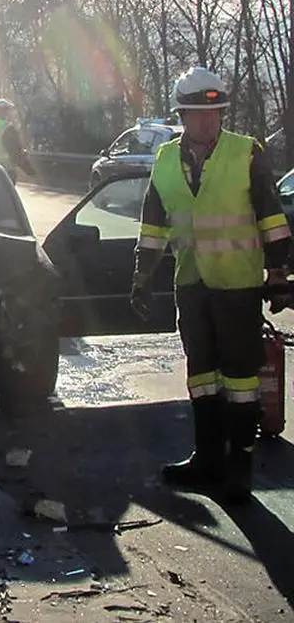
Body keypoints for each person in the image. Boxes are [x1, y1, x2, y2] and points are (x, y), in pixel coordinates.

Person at [131, 66, 291, 504]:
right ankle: (207, 459)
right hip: (192, 282)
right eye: (199, 115)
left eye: (216, 113)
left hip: (237, 283)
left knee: (240, 378)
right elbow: (153, 226)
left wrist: (277, 275)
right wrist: (141, 278)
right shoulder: (165, 160)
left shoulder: (247, 152)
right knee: (201, 375)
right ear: (181, 116)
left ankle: (239, 465)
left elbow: (272, 218)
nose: (209, 121)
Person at [0, 98, 38, 183]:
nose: (8, 113)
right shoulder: (7, 128)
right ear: (3, 111)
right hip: (4, 170)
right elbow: (16, 153)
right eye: (7, 110)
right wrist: (30, 172)